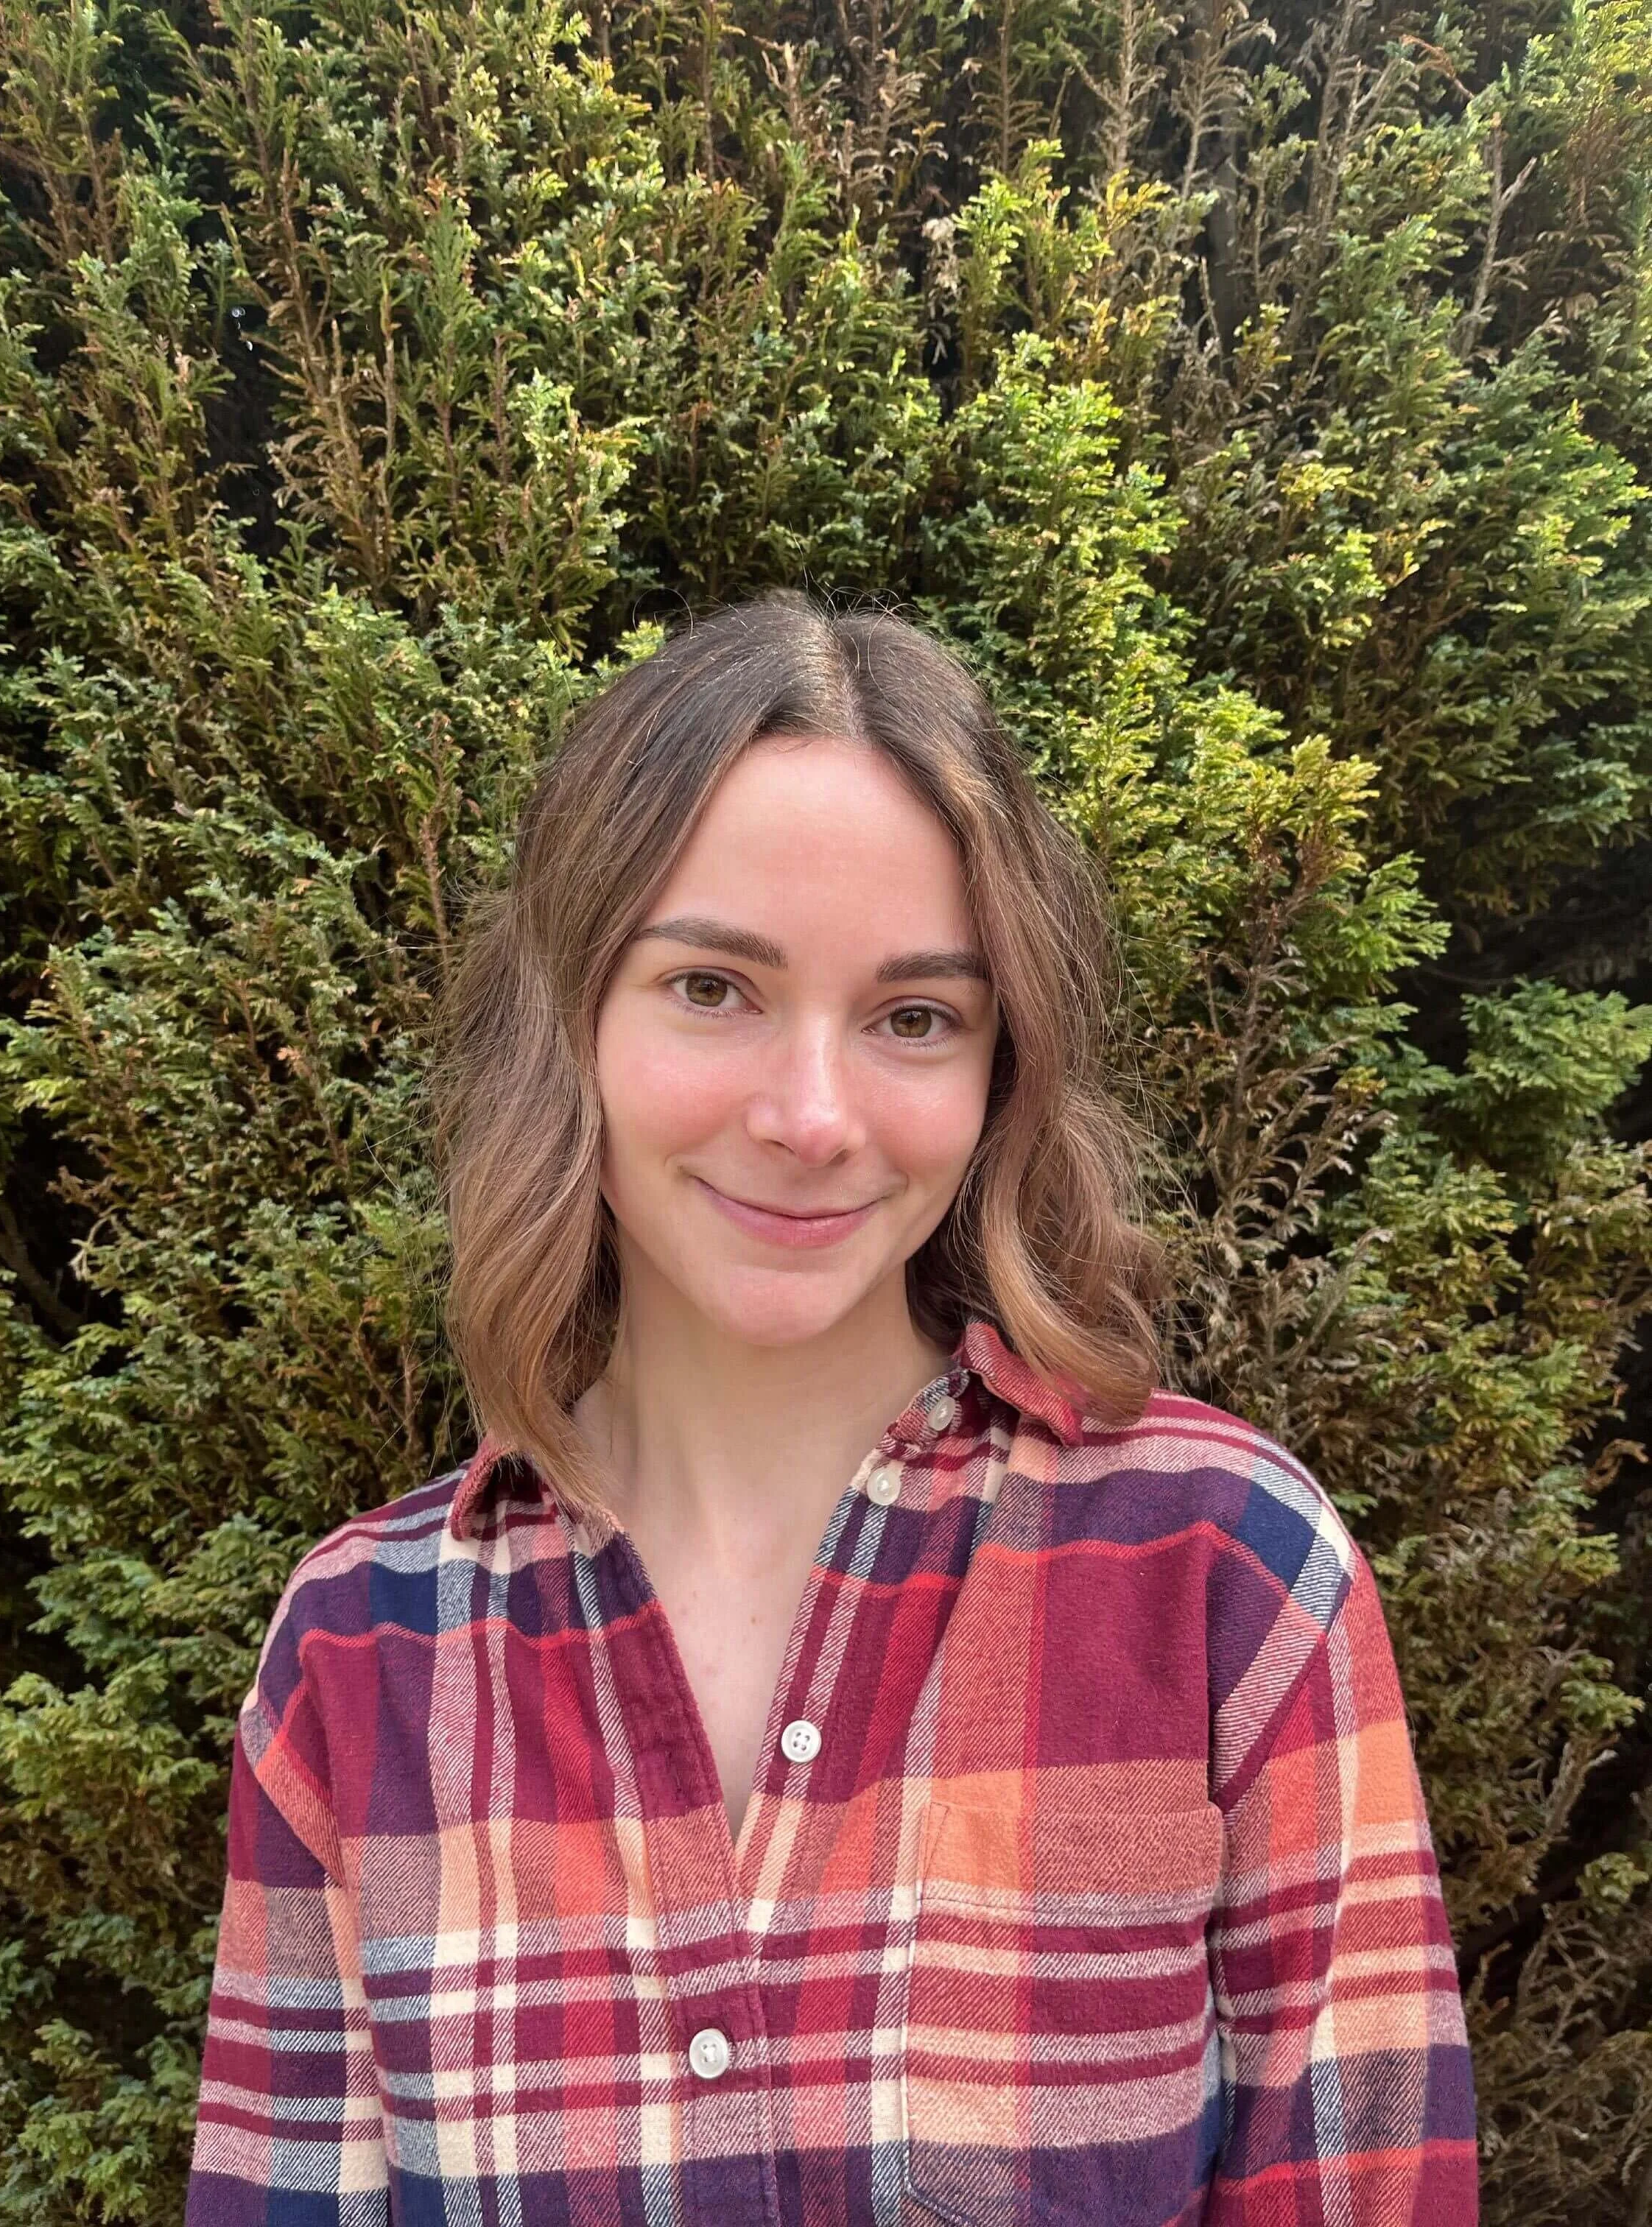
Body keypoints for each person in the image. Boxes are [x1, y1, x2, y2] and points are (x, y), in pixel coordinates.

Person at [185, 591, 1478, 2225]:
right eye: (713, 988)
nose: (812, 1116)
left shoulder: (1227, 1576)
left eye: (913, 1018)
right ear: (571, 1014)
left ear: (999, 1071)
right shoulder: (358, 1652)